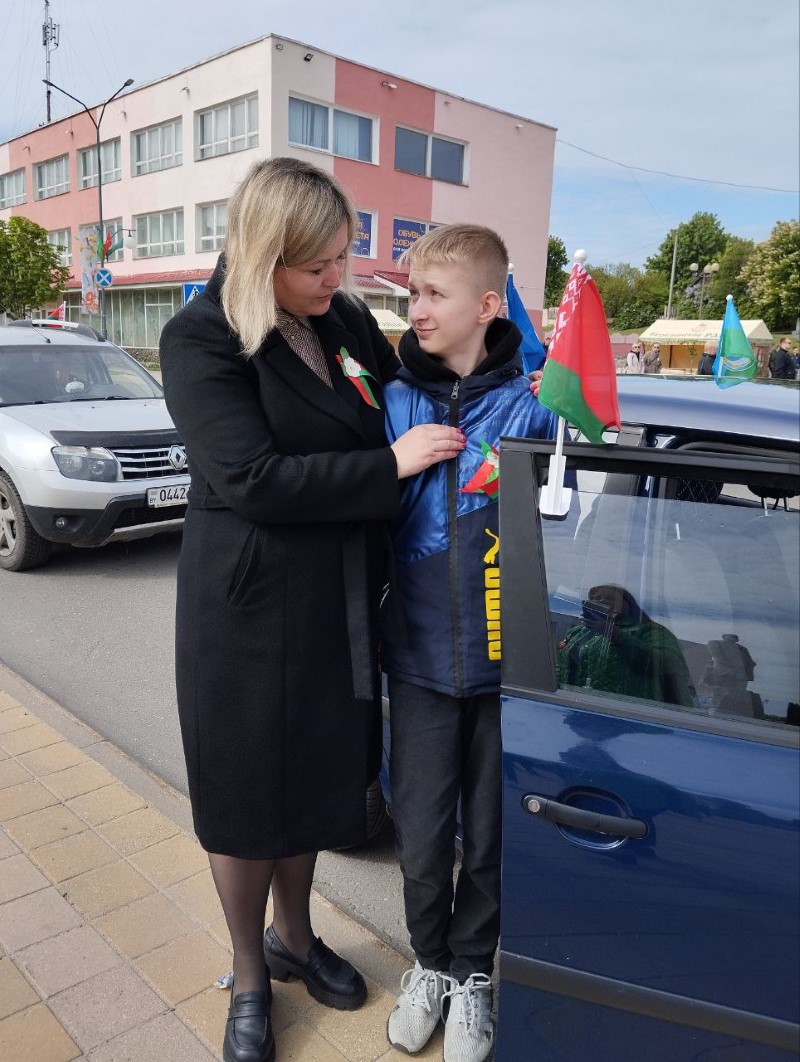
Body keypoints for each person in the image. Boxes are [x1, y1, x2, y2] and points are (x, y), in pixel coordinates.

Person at [158, 157, 465, 1062]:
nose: (339, 277)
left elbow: (401, 384)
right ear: (265, 256)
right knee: (246, 793)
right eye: (319, 264)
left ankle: (296, 936)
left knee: (315, 782)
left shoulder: (339, 319)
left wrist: (470, 335)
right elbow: (252, 479)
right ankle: (250, 972)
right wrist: (389, 466)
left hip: (336, 595)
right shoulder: (201, 339)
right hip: (246, 609)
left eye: (344, 257)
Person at [380, 224, 559, 1061]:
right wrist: (392, 462)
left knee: (488, 838)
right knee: (421, 836)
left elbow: (584, 497)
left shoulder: (532, 405)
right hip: (417, 660)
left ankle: (473, 975)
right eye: (413, 293)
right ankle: (428, 964)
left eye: (434, 294)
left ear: (488, 305)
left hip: (503, 667)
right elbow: (354, 502)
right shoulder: (391, 401)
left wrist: (579, 424)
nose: (416, 309)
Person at [556, 584, 695, 707]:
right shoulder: (577, 632)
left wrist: (616, 635)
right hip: (575, 707)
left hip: (631, 714)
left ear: (628, 605)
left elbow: (669, 664)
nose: (602, 601)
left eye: (611, 598)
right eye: (597, 598)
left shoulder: (650, 631)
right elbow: (559, 665)